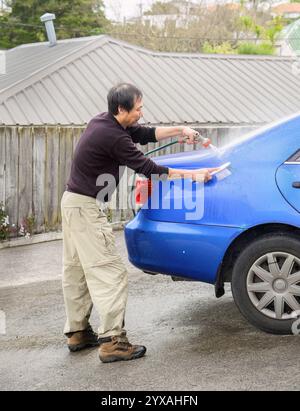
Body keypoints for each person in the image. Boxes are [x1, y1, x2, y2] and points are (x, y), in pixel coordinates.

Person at [61, 83, 217, 363]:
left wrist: (181, 130)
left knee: (77, 271)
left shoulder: (104, 121)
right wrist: (194, 175)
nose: (141, 113)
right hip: (85, 208)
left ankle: (78, 332)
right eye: (138, 108)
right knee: (111, 273)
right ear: (122, 109)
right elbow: (149, 169)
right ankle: (112, 342)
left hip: (72, 203)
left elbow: (144, 133)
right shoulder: (113, 137)